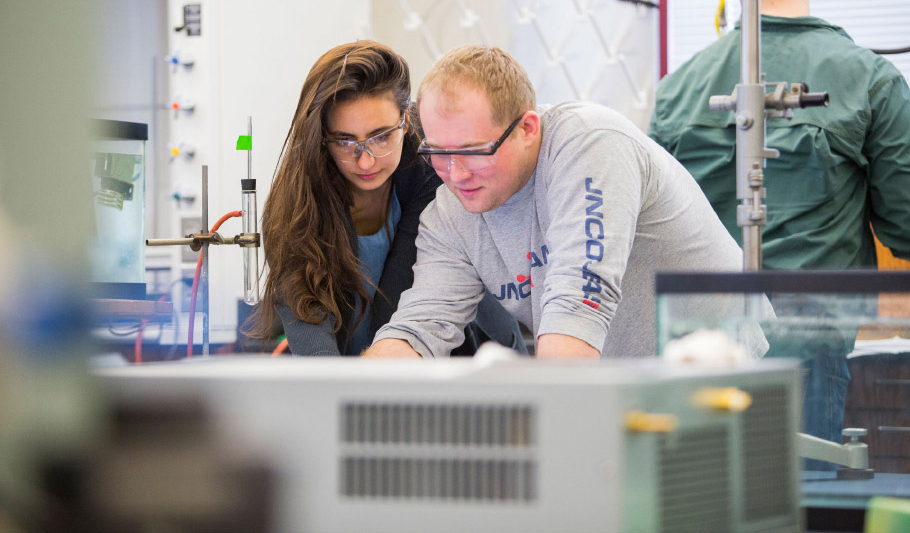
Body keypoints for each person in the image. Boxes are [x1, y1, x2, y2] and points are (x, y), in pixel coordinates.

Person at [364, 45, 762, 360]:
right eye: (438, 153)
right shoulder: (449, 215)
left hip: (735, 377)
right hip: (630, 403)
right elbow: (420, 327)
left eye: (474, 151)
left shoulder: (589, 146)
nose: (455, 173)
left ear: (527, 128)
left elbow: (578, 300)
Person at [648, 0, 910, 463]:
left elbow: (651, 224)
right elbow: (905, 221)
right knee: (796, 500)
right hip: (804, 343)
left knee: (702, 495)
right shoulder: (869, 78)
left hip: (695, 343)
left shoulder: (679, 87)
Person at [247, 41, 524, 356]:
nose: (365, 162)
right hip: (359, 377)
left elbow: (399, 313)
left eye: (381, 137)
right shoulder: (293, 212)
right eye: (344, 140)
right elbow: (311, 338)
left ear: (406, 119)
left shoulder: (435, 175)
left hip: (463, 363)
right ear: (320, 137)